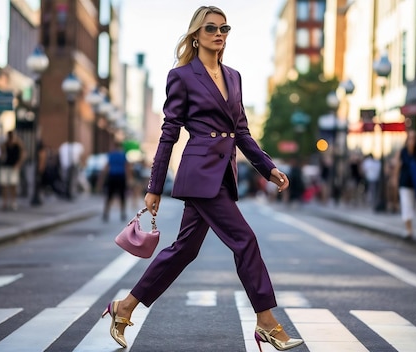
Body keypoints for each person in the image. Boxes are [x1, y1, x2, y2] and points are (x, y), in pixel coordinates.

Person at [101, 6, 303, 351]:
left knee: (183, 251)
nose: (219, 33)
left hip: (222, 175)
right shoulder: (181, 76)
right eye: (211, 28)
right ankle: (267, 321)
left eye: (224, 27)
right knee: (245, 240)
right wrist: (154, 186)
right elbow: (169, 134)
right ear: (196, 35)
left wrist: (267, 167)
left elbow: (242, 132)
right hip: (198, 174)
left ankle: (125, 307)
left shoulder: (234, 76)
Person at [99, 141, 132, 222]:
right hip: (121, 177)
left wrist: (101, 179)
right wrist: (129, 178)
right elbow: (127, 167)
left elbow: (106, 167)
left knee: (109, 196)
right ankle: (123, 213)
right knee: (122, 196)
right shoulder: (123, 155)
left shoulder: (111, 155)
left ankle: (106, 213)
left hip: (112, 176)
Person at [0, 130, 26, 210]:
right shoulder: (5, 144)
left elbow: (23, 153)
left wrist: (19, 164)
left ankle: (13, 202)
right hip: (5, 166)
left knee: (13, 185)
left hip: (14, 166)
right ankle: (5, 202)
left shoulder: (18, 144)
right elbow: (2, 153)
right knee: (4, 185)